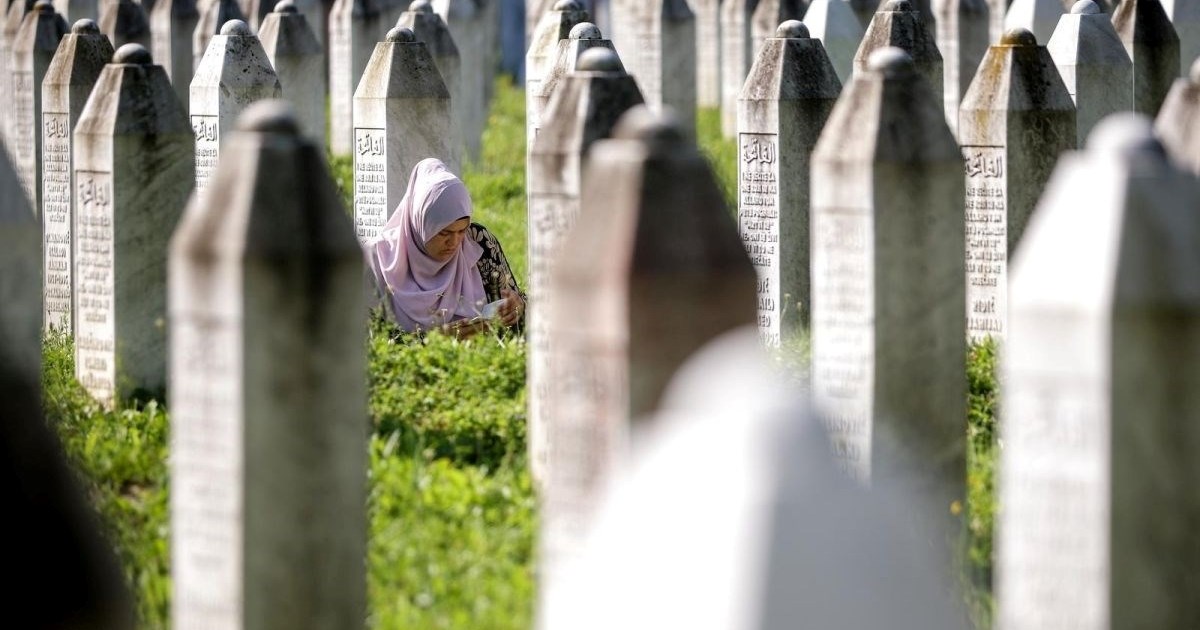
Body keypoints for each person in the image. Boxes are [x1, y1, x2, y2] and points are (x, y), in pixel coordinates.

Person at [366, 158, 525, 337]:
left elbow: (518, 308)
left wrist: (517, 306)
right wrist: (435, 340)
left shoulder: (478, 241)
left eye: (461, 230)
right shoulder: (376, 259)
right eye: (444, 233)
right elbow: (364, 340)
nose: (455, 242)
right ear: (420, 224)